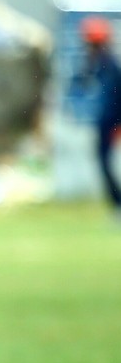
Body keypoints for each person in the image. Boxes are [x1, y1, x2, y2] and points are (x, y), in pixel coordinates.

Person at [72, 15, 121, 217]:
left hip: (111, 121)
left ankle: (118, 204)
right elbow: (81, 80)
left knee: (104, 160)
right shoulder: (99, 61)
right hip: (107, 120)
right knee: (103, 161)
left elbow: (115, 95)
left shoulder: (108, 62)